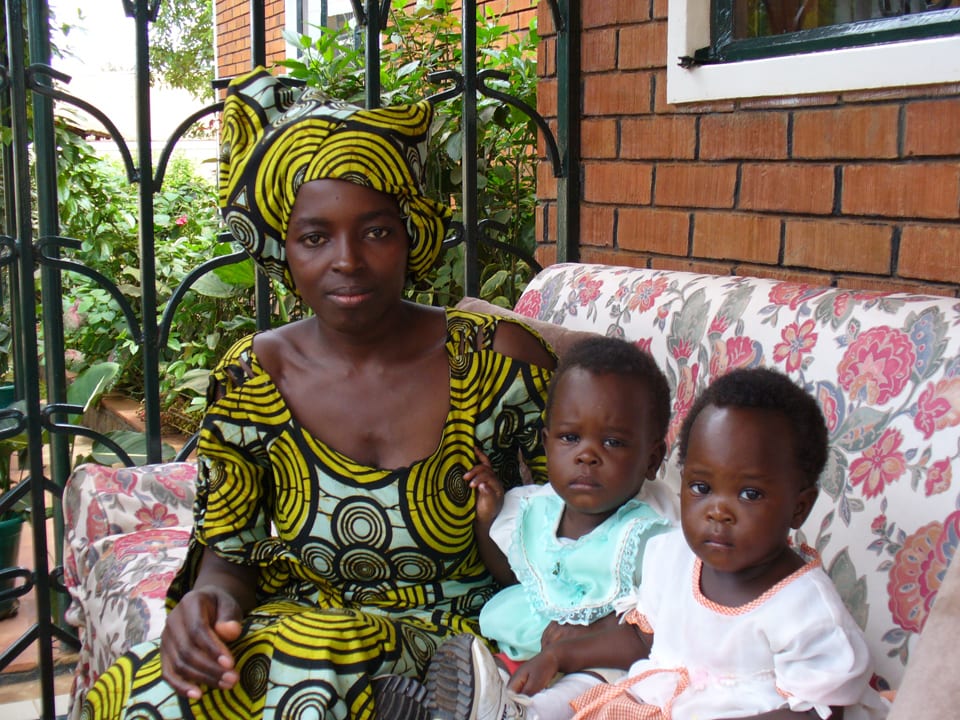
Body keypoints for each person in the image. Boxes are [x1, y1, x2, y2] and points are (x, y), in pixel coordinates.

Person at [79, 66, 556, 720]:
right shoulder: (253, 377)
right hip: (300, 633)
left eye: (376, 231)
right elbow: (229, 559)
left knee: (319, 659)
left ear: (410, 234)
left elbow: (589, 521)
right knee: (143, 692)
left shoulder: (496, 361)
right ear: (283, 248)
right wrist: (207, 606)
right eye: (314, 237)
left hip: (454, 654)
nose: (347, 260)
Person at [569, 367, 890, 720]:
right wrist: (563, 654)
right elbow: (644, 639)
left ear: (799, 508)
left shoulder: (806, 610)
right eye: (701, 488)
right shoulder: (672, 556)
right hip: (666, 704)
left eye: (750, 494)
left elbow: (819, 714)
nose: (718, 511)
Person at [426, 336, 677, 720]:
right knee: (496, 669)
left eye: (613, 442)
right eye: (570, 438)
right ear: (547, 444)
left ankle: (522, 714)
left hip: (607, 663)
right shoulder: (536, 508)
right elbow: (516, 575)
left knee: (585, 687)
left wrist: (578, 643)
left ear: (652, 459)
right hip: (533, 653)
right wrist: (487, 518)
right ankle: (469, 703)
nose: (586, 455)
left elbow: (654, 632)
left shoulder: (651, 534)